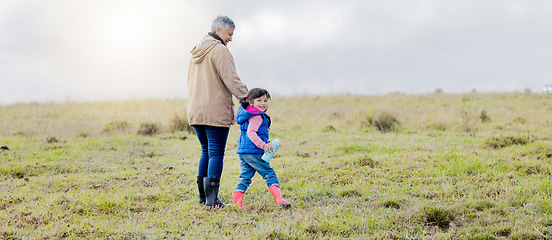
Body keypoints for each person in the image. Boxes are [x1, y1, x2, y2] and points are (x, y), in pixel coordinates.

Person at [187, 16, 248, 208]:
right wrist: (248, 99)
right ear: (219, 30)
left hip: (196, 109)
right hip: (214, 110)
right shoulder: (219, 49)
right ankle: (212, 201)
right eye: (229, 34)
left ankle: (203, 197)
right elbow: (231, 78)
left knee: (206, 151)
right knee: (216, 153)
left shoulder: (197, 49)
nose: (230, 38)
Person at [232, 88, 291, 209]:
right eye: (259, 100)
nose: (263, 103)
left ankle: (237, 204)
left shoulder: (247, 113)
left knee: (245, 176)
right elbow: (251, 133)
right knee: (269, 173)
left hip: (243, 150)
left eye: (265, 100)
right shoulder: (257, 116)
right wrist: (263, 145)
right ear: (251, 102)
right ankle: (279, 200)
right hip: (253, 151)